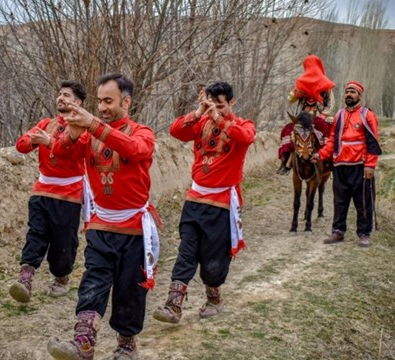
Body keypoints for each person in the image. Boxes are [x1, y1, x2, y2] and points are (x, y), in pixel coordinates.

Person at [46, 73, 160, 360]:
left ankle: (126, 345)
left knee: (129, 290)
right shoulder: (88, 134)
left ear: (127, 101)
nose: (102, 108)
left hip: (134, 227)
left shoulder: (141, 131)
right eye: (99, 102)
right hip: (100, 223)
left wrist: (93, 125)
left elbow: (136, 150)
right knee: (93, 281)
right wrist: (71, 132)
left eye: (109, 101)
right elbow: (59, 153)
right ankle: (83, 342)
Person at [153, 82, 256, 324]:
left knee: (213, 258)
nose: (216, 110)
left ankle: (214, 298)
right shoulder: (201, 121)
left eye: (221, 105)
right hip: (194, 199)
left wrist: (219, 119)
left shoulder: (243, 124)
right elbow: (176, 131)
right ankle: (173, 305)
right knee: (186, 251)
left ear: (231, 103)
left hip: (221, 204)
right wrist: (199, 112)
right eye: (212, 105)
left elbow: (246, 137)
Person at [9, 80, 88, 303]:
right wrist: (34, 140)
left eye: (67, 95)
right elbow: (21, 145)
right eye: (59, 94)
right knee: (36, 232)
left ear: (78, 102)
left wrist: (48, 141)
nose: (60, 98)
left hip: (69, 192)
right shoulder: (46, 123)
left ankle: (61, 277)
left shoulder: (83, 127)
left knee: (63, 238)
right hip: (42, 189)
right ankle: (25, 277)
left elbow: (74, 152)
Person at [312, 81, 381, 247]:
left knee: (362, 201)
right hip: (341, 166)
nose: (349, 94)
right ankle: (338, 232)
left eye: (353, 92)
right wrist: (320, 154)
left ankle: (364, 234)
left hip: (360, 167)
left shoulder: (367, 115)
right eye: (347, 91)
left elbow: (373, 142)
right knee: (340, 201)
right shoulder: (339, 116)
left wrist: (370, 165)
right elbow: (332, 141)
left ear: (359, 95)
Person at [278, 54, 334, 175]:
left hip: (319, 115)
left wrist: (322, 114)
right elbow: (290, 99)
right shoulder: (301, 83)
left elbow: (330, 104)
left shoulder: (325, 85)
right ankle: (286, 161)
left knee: (327, 130)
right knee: (287, 130)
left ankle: (329, 161)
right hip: (303, 117)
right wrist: (297, 93)